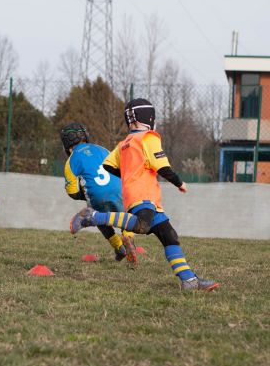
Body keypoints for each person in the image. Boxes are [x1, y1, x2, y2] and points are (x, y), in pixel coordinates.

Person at [70, 98, 219, 291]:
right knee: (142, 226)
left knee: (169, 236)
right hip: (144, 194)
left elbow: (108, 165)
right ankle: (93, 216)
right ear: (148, 117)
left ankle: (189, 280)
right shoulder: (149, 137)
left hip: (142, 198)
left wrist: (130, 173)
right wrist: (178, 182)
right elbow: (162, 166)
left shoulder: (124, 143)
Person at [60, 122, 135, 265]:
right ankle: (128, 238)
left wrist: (84, 193)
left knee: (97, 217)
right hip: (119, 189)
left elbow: (72, 191)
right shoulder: (102, 149)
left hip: (97, 196)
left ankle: (119, 248)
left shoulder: (71, 161)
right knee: (125, 216)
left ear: (65, 144)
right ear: (85, 135)